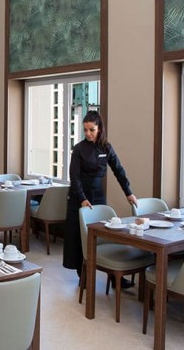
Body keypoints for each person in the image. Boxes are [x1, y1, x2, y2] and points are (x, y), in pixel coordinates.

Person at [63, 110, 138, 288]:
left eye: (92, 130)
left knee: (105, 235)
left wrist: (128, 192)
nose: (88, 134)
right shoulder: (79, 149)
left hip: (98, 196)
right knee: (80, 237)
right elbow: (74, 177)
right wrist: (82, 199)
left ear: (99, 129)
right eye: (85, 130)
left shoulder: (106, 148)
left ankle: (115, 278)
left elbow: (119, 170)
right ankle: (83, 276)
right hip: (79, 197)